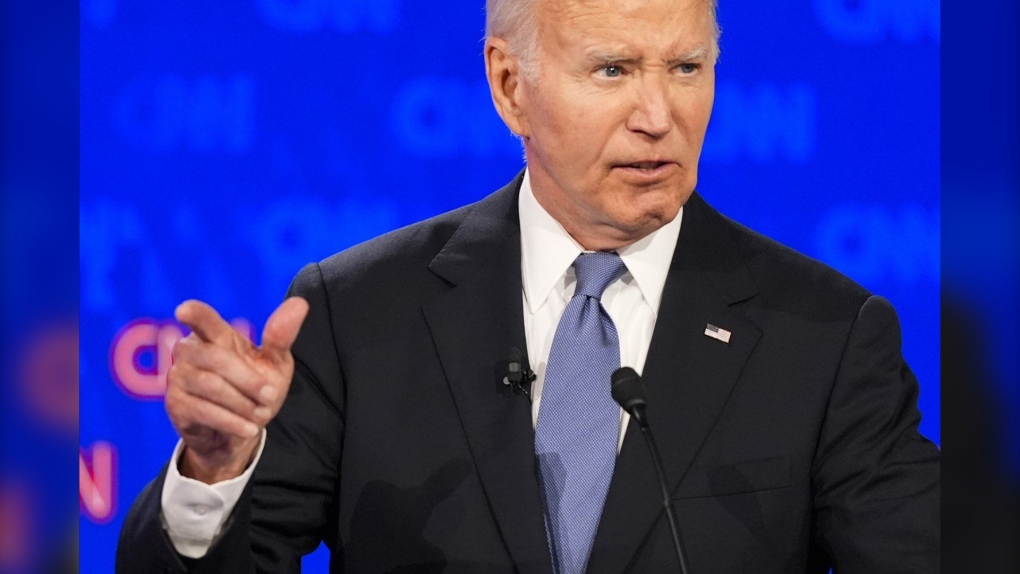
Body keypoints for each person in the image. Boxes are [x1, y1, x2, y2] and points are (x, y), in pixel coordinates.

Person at [117, 0, 940, 572]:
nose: (658, 113)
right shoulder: (359, 312)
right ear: (512, 87)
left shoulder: (825, 336)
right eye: (613, 70)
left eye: (687, 67)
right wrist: (217, 470)